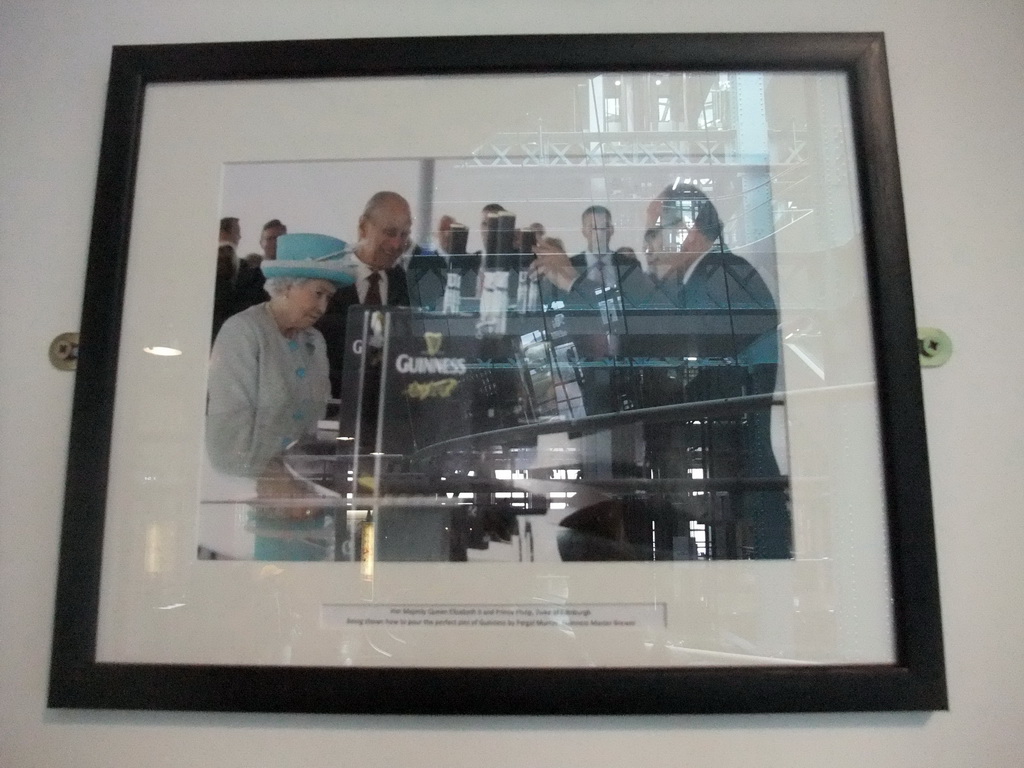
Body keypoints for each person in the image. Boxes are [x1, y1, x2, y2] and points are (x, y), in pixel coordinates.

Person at [643, 181, 788, 559]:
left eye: (655, 233)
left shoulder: (721, 276)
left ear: (688, 232)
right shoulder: (711, 275)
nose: (651, 246)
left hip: (751, 446)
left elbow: (690, 353)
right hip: (740, 437)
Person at [205, 232, 354, 559]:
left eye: (328, 297)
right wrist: (271, 476)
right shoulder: (243, 332)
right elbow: (227, 433)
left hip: (298, 499)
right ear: (286, 285)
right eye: (317, 294)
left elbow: (313, 426)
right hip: (243, 498)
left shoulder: (314, 341)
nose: (322, 306)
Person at [315, 191, 412, 400]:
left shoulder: (409, 286)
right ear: (363, 227)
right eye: (390, 232)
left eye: (404, 235)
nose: (397, 245)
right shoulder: (326, 280)